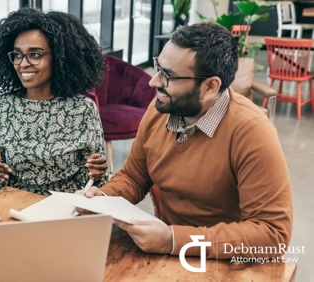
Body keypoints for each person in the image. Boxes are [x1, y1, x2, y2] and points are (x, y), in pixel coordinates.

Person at [80, 22, 292, 259]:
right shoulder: (160, 109)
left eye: (168, 75)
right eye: (158, 67)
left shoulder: (252, 132)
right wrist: (104, 197)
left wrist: (173, 240)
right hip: (169, 254)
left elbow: (273, 235)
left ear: (210, 86)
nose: (154, 82)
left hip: (228, 262)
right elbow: (133, 176)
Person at [0, 8, 108, 195]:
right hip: (15, 209)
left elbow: (95, 182)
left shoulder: (82, 109)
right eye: (17, 54)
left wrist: (97, 173)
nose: (23, 63)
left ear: (59, 57)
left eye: (35, 54)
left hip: (67, 209)